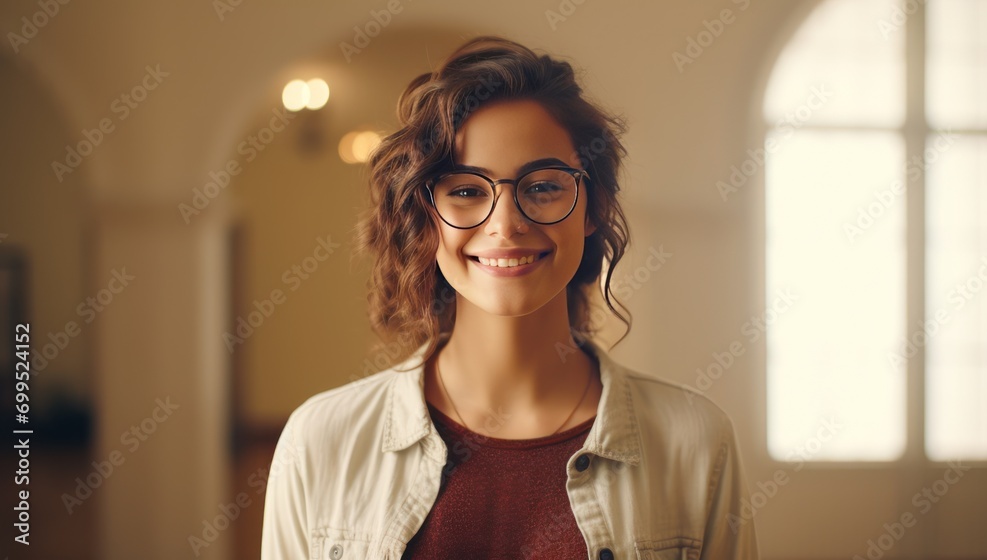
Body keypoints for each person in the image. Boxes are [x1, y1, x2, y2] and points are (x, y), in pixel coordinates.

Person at [261, 35, 759, 560]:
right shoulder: (321, 440)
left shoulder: (695, 442)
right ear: (424, 218)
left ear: (592, 207)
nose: (506, 224)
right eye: (466, 190)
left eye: (543, 186)